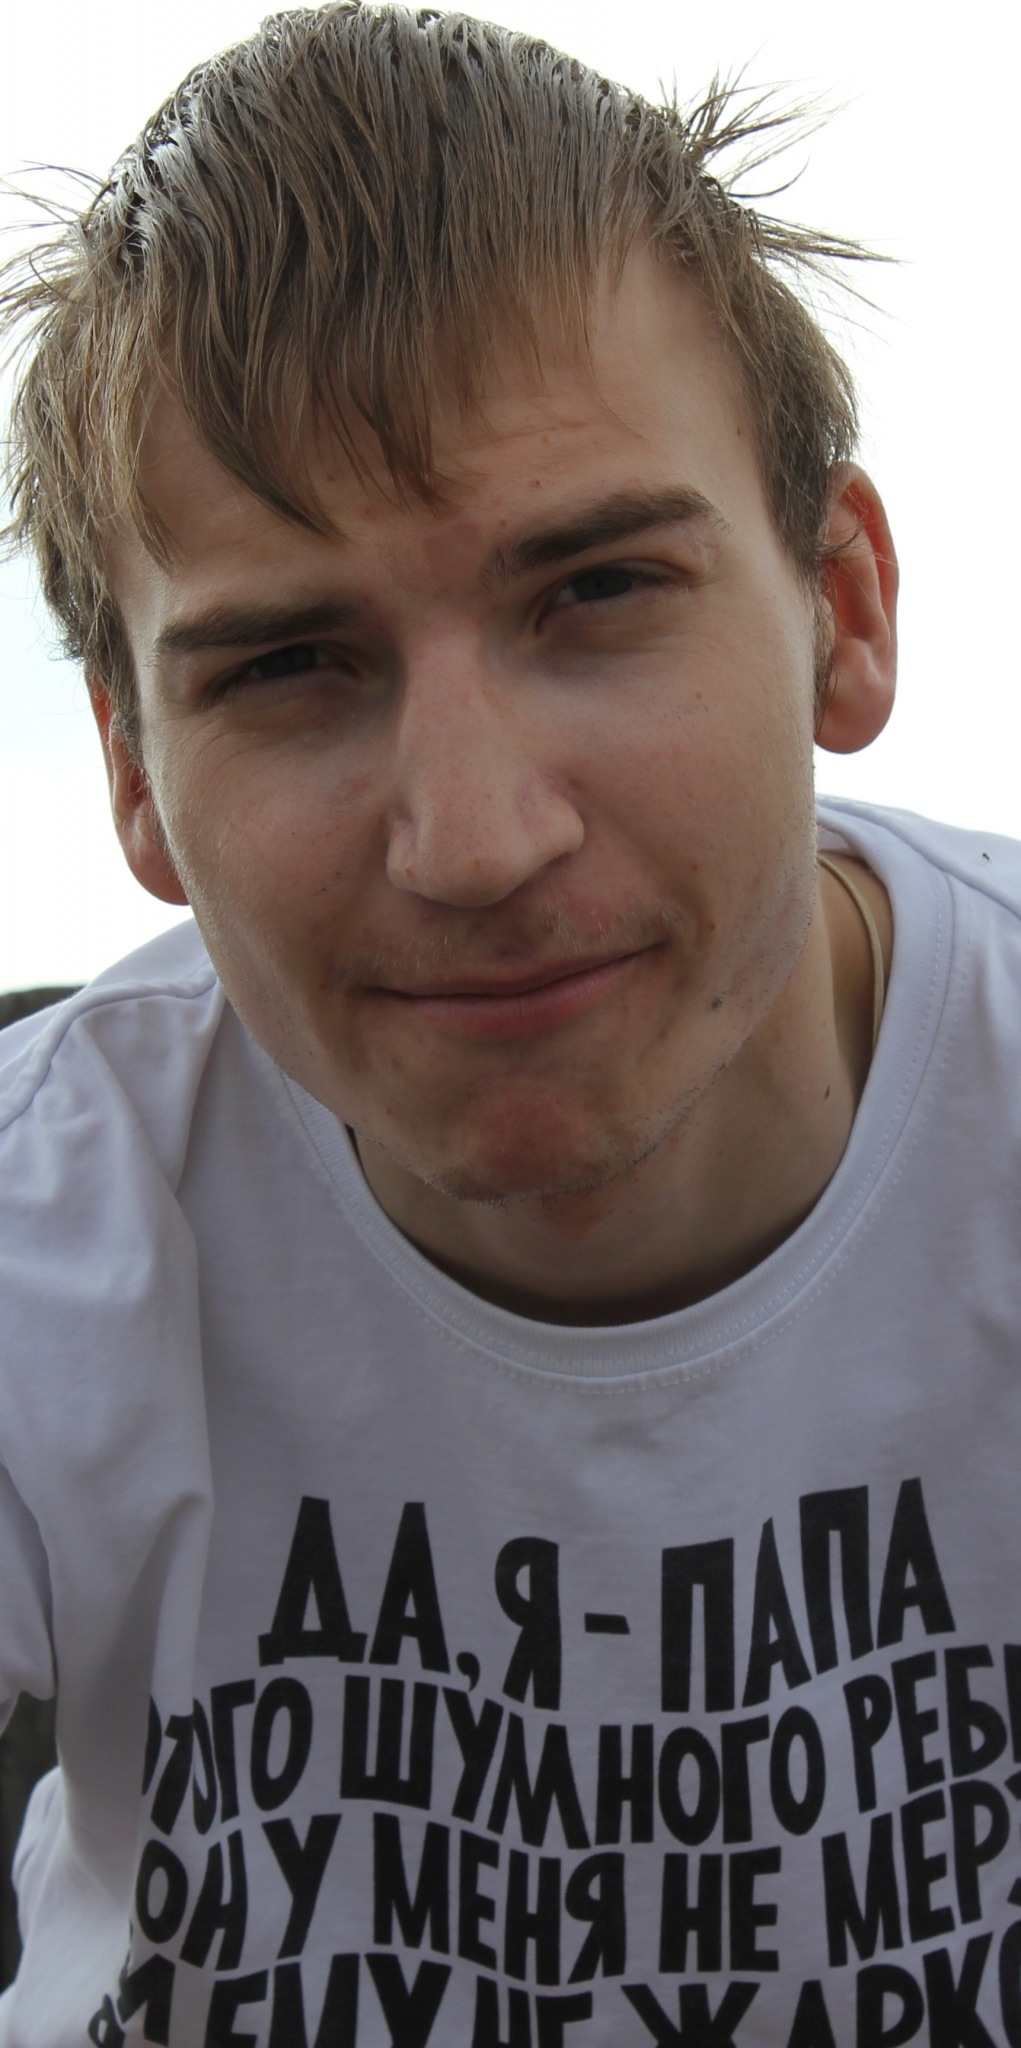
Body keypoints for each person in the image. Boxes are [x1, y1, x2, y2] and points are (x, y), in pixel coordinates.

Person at [1, 3, 1019, 2041]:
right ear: (133, 777)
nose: (471, 840)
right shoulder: (49, 1234)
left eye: (597, 592)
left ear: (842, 608)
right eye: (287, 665)